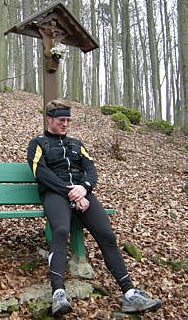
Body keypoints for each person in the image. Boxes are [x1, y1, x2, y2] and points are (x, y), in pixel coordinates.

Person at [27, 99, 162, 316]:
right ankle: (58, 293)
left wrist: (84, 188)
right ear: (49, 119)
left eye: (68, 120)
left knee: (106, 234)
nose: (65, 124)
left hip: (83, 194)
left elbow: (91, 170)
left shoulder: (76, 144)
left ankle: (129, 294)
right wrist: (70, 192)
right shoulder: (38, 143)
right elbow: (40, 173)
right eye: (62, 120)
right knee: (60, 231)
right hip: (55, 193)